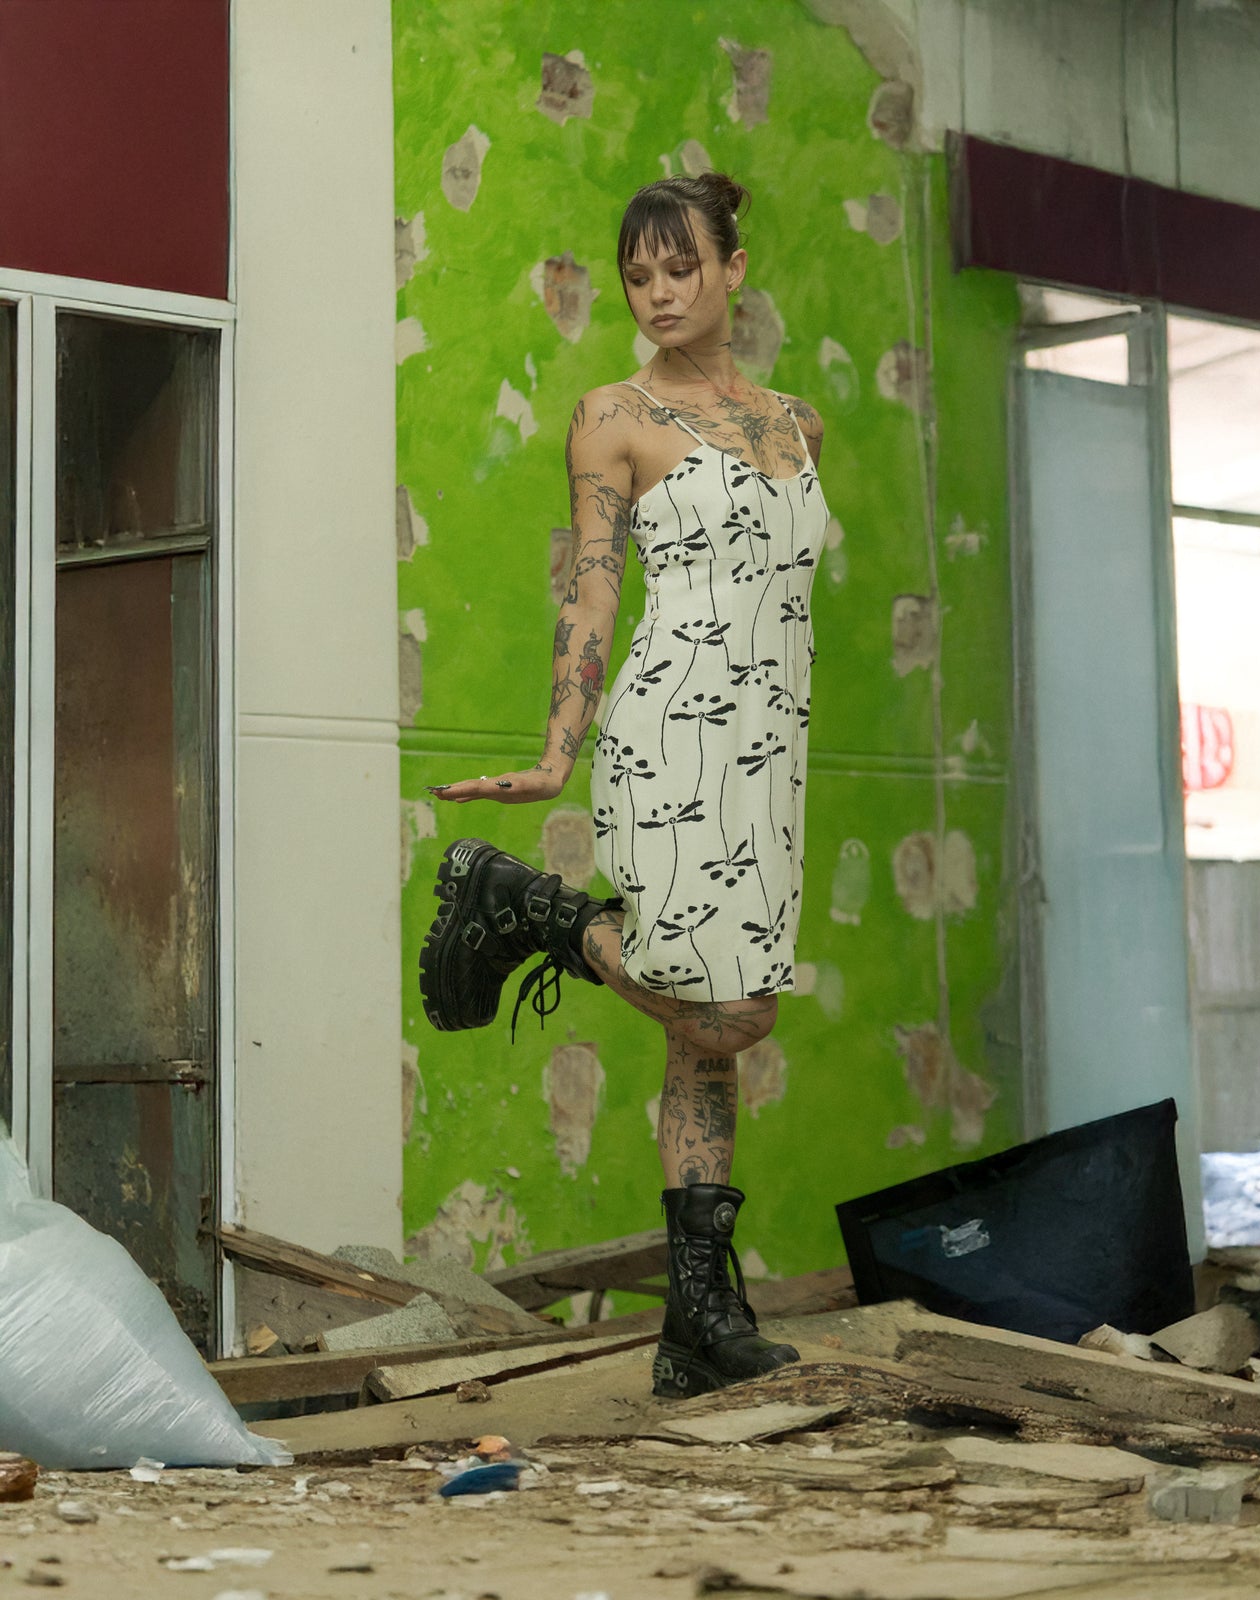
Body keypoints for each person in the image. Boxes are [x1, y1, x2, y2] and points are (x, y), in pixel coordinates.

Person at [420, 172, 829, 1399]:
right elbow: (592, 588)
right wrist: (557, 748)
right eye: (637, 276)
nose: (656, 294)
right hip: (672, 736)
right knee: (723, 1010)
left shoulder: (799, 424)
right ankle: (525, 905)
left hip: (771, 750)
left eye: (679, 269)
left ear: (730, 271)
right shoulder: (611, 417)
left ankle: (698, 1323)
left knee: (714, 1043)